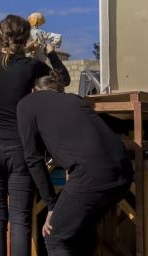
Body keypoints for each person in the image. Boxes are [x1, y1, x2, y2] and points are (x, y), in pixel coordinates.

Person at [0, 14, 69, 256]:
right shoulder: (32, 67)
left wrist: (24, 50)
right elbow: (64, 80)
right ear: (27, 38)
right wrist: (48, 51)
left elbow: (4, 63)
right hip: (19, 149)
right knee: (20, 222)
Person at [17, 72, 132, 255]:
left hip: (91, 175)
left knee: (54, 236)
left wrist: (51, 205)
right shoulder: (74, 99)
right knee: (80, 233)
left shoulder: (26, 104)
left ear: (34, 90)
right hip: (124, 171)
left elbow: (33, 158)